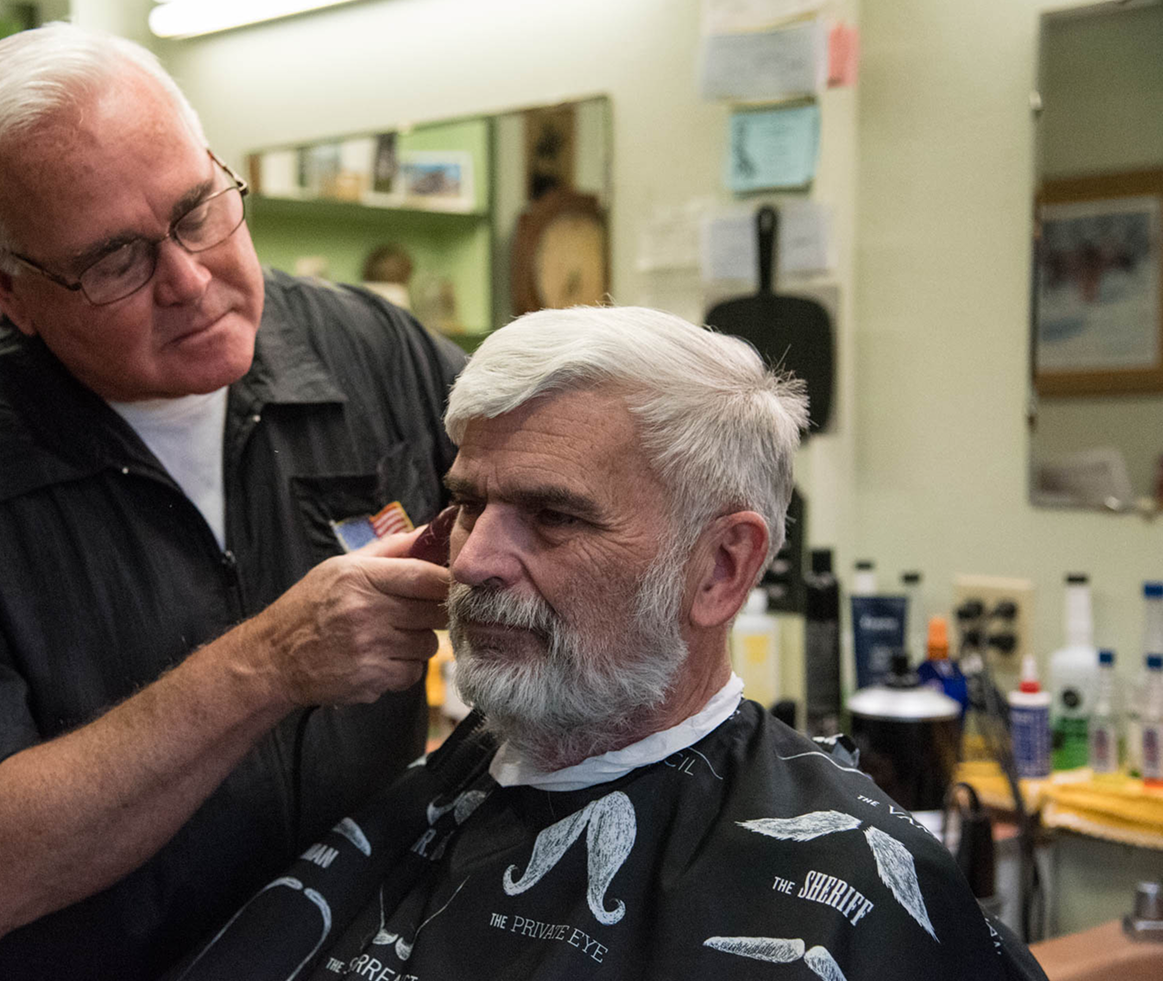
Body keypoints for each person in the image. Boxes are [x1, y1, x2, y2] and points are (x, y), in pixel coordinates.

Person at [0, 22, 465, 980]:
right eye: (116, 260)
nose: (191, 280)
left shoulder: (368, 348)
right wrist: (270, 664)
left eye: (200, 209)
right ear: (9, 286)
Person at [169, 306, 1048, 981]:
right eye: (470, 502)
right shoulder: (416, 804)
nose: (472, 559)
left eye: (551, 516)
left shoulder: (847, 889)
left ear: (721, 568)